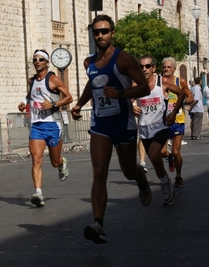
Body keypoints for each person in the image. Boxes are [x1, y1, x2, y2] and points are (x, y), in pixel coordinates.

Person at [71, 15, 151, 244]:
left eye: (105, 31)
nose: (100, 35)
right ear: (93, 34)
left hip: (123, 123)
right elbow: (91, 83)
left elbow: (144, 87)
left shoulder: (124, 59)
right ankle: (99, 224)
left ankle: (141, 180)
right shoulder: (89, 63)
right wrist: (79, 103)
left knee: (127, 171)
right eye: (96, 32)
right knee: (99, 172)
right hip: (100, 124)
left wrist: (121, 94)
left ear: (112, 33)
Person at [18, 49, 73, 208]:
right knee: (36, 160)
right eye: (35, 59)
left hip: (52, 124)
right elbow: (31, 96)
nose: (37, 62)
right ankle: (38, 193)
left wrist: (53, 104)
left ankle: (62, 164)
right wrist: (23, 103)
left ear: (47, 62)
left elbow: (69, 97)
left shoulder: (54, 79)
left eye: (40, 59)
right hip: (36, 125)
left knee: (54, 162)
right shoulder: (32, 81)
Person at [133, 55, 184, 205]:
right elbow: (127, 100)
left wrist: (174, 112)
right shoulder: (136, 85)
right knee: (155, 160)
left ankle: (164, 185)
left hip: (160, 127)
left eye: (147, 66)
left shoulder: (164, 82)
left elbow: (181, 94)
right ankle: (166, 182)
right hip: (144, 129)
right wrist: (132, 106)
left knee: (155, 154)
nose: (144, 69)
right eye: (141, 67)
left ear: (153, 68)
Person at [160, 57, 193, 188]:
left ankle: (178, 176)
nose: (166, 69)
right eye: (164, 67)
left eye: (169, 67)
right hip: (162, 121)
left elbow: (190, 96)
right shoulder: (159, 82)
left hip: (177, 120)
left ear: (174, 69)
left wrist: (183, 102)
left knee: (176, 151)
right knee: (162, 152)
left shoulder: (181, 81)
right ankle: (169, 158)